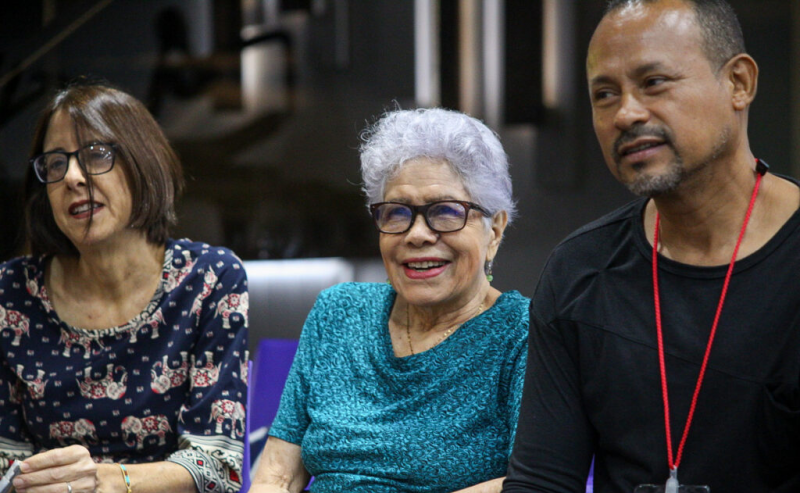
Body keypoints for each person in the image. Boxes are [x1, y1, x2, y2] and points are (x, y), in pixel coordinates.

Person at [502, 0, 800, 492]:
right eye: (604, 94)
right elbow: (542, 481)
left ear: (738, 83)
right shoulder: (579, 271)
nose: (626, 113)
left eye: (654, 82)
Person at [249, 108, 529, 493]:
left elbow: (533, 483)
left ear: (494, 230)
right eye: (397, 212)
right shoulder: (338, 312)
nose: (417, 234)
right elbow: (278, 475)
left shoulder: (523, 333)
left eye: (446, 212)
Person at [0, 82, 249, 493]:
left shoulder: (210, 279)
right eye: (56, 163)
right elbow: (6, 457)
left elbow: (217, 466)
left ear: (141, 162)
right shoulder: (12, 291)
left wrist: (103, 481)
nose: (73, 178)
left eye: (96, 154)